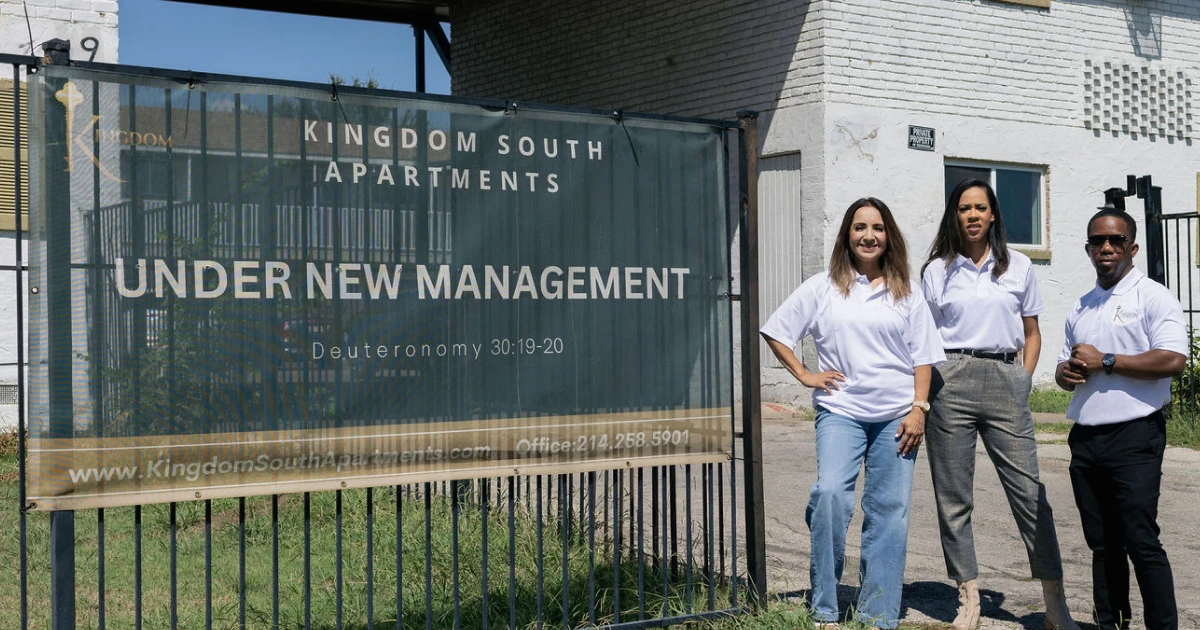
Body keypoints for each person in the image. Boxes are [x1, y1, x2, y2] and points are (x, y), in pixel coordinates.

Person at [761, 197, 943, 630]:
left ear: (888, 236)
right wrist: (804, 374)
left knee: (889, 511)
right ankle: (825, 609)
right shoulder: (822, 287)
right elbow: (776, 330)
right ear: (847, 234)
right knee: (829, 496)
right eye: (859, 227)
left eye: (877, 228)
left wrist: (919, 409)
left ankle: (877, 615)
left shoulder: (907, 292)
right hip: (841, 410)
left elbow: (923, 358)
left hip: (897, 416)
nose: (868, 236)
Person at [920, 179, 1080, 630]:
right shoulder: (936, 271)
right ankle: (968, 596)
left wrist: (1022, 379)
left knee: (1029, 494)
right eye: (964, 208)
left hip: (1004, 376)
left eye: (980, 207)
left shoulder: (1019, 266)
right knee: (954, 496)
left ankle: (1054, 601)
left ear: (993, 215)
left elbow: (1032, 332)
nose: (972, 215)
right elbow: (923, 337)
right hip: (949, 379)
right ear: (955, 216)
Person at [1056, 207, 1185, 630]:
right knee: (1102, 544)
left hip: (1135, 435)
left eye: (1116, 240)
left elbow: (1173, 359)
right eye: (1098, 241)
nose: (1106, 247)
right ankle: (1110, 623)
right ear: (1088, 249)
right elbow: (1064, 366)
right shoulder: (1081, 305)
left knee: (1141, 541)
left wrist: (1107, 361)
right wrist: (1065, 373)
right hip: (1086, 437)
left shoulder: (1154, 297)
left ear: (1132, 248)